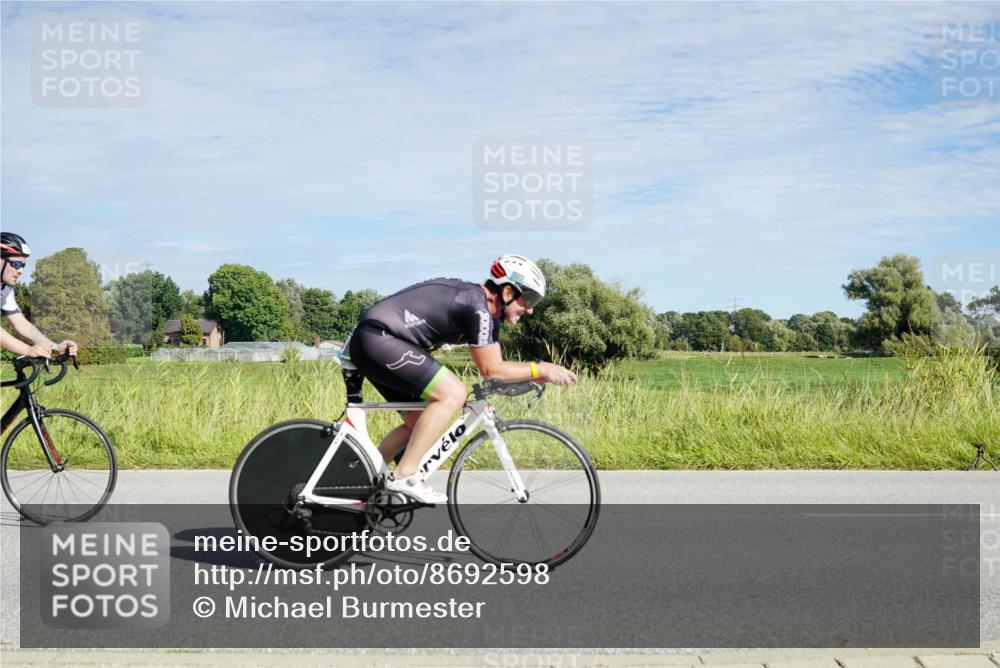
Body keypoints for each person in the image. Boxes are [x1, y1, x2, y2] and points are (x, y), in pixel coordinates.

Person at [346, 254, 577, 504]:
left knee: (418, 422)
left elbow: (495, 370)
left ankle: (362, 483)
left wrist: (530, 376)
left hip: (379, 341)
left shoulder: (485, 313)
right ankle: (404, 474)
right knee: (453, 393)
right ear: (508, 292)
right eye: (529, 299)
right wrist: (542, 369)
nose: (531, 309)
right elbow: (492, 370)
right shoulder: (475, 306)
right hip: (378, 338)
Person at [0, 232, 78, 359]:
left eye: (23, 265)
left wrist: (54, 347)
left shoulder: (5, 289)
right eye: (16, 264)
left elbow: (21, 324)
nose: (21, 271)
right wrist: (29, 350)